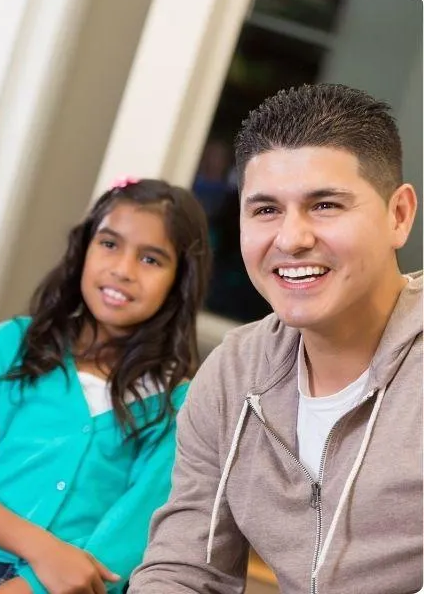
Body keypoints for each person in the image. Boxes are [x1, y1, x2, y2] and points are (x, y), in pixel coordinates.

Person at [129, 83, 422, 593]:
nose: (290, 239)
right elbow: (185, 568)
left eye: (326, 205)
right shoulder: (232, 372)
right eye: (265, 210)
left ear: (398, 215)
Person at [0, 178, 212, 593]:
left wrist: (33, 583)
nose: (123, 270)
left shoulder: (178, 405)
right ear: (84, 248)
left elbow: (132, 533)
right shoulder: (13, 344)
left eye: (151, 260)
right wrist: (42, 550)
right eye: (109, 244)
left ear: (180, 279)